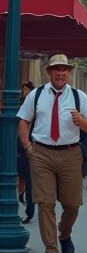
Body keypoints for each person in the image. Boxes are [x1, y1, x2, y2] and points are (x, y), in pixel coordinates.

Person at [16, 54, 87, 253]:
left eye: (64, 70)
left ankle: (65, 233)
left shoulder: (79, 97)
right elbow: (23, 121)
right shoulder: (37, 94)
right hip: (41, 153)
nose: (60, 73)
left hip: (70, 153)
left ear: (69, 73)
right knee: (45, 203)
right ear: (49, 72)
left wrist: (82, 121)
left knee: (72, 204)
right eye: (56, 70)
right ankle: (51, 251)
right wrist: (28, 147)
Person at [16, 80, 35, 223]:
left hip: (32, 145)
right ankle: (22, 194)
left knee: (29, 178)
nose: (25, 92)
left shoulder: (35, 104)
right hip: (20, 144)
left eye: (27, 89)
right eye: (23, 90)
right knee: (20, 174)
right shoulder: (19, 103)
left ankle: (30, 210)